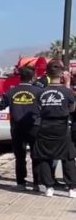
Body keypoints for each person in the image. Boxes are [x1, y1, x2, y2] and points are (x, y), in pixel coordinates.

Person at [0, 66, 41, 190]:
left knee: (19, 156)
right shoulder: (38, 91)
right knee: (36, 156)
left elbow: (0, 105)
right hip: (34, 127)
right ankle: (36, 183)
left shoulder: (12, 92)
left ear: (20, 77)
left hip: (17, 127)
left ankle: (21, 183)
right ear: (33, 78)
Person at [33, 61, 76, 197]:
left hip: (45, 126)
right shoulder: (67, 92)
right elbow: (72, 108)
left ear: (47, 73)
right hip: (62, 126)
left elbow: (39, 108)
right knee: (68, 156)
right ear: (62, 74)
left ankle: (49, 187)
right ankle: (71, 189)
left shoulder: (41, 92)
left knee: (44, 156)